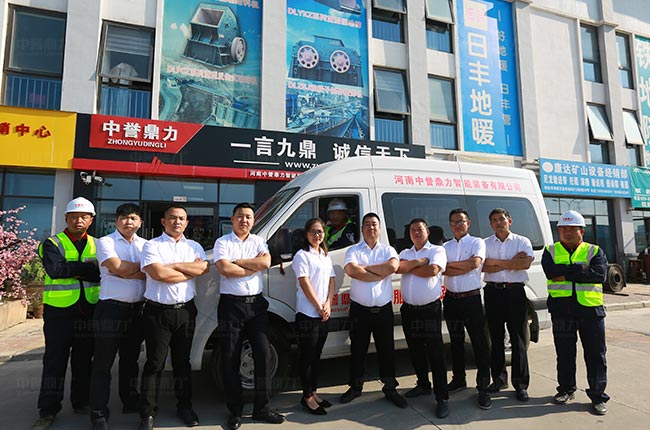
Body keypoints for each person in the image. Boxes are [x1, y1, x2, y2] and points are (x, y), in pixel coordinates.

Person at [214, 202, 285, 430]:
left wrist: (238, 262)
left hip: (256, 306)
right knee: (230, 357)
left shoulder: (258, 241)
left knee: (263, 353)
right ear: (232, 219)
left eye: (248, 217)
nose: (244, 220)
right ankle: (235, 410)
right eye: (240, 216)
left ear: (253, 221)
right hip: (231, 307)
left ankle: (261, 408)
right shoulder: (222, 242)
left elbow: (265, 262)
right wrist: (251, 266)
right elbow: (224, 269)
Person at [32, 197, 101, 430]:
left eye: (84, 217)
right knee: (55, 361)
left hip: (88, 310)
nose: (78, 220)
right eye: (74, 216)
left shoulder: (98, 244)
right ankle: (48, 410)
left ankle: (81, 402)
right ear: (66, 218)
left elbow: (101, 274)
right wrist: (88, 268)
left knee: (84, 360)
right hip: (59, 313)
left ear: (91, 220)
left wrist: (74, 270)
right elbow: (56, 270)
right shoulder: (52, 243)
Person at [138, 205, 209, 430]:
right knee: (155, 363)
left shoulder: (194, 246)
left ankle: (185, 407)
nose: (177, 222)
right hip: (158, 313)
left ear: (186, 223)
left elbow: (204, 269)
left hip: (186, 312)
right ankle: (147, 413)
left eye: (181, 219)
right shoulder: (152, 245)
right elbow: (158, 274)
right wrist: (188, 270)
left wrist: (175, 266)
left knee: (182, 363)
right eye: (172, 218)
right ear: (163, 221)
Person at [542, 210, 609, 415]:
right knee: (564, 353)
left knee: (596, 355)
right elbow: (551, 273)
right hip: (562, 311)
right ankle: (566, 389)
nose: (567, 232)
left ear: (582, 231)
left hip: (590, 311)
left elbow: (600, 275)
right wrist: (581, 270)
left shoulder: (594, 251)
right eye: (563, 229)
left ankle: (598, 396)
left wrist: (566, 271)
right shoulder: (550, 250)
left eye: (572, 229)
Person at [339, 212, 406, 408]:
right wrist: (379, 272)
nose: (371, 227)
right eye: (367, 224)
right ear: (361, 229)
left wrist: (366, 269)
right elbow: (352, 270)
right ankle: (355, 387)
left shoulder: (388, 249)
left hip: (383, 311)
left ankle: (390, 388)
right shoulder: (353, 250)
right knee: (357, 350)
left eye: (374, 224)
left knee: (387, 351)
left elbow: (392, 267)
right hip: (359, 311)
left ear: (379, 228)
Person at [89, 203, 147, 430]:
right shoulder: (105, 242)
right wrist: (141, 269)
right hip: (110, 310)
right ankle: (98, 413)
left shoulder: (146, 245)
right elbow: (118, 268)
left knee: (130, 361)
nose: (128, 222)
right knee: (103, 363)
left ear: (140, 222)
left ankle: (129, 401)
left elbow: (150, 273)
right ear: (116, 221)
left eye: (133, 218)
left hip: (137, 311)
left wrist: (128, 271)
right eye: (123, 218)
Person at [397, 218, 449, 418]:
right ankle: (423, 384)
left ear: (427, 231)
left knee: (436, 354)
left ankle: (442, 398)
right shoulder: (405, 252)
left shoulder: (437, 250)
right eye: (412, 230)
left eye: (420, 229)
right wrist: (419, 263)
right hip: (409, 310)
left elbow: (433, 270)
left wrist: (410, 267)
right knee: (415, 350)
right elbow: (398, 268)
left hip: (429, 310)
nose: (416, 233)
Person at [482, 208, 534, 402]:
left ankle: (520, 385)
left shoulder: (522, 241)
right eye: (494, 220)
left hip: (515, 292)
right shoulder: (485, 243)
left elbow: (525, 264)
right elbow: (483, 266)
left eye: (502, 219)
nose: (498, 222)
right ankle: (498, 380)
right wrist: (510, 262)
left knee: (518, 338)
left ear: (509, 221)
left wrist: (496, 263)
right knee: (495, 338)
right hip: (492, 292)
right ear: (490, 224)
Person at [442, 208, 492, 410]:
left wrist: (453, 266)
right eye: (453, 222)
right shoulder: (445, 246)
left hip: (471, 299)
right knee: (455, 342)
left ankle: (483, 387)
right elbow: (442, 268)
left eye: (461, 221)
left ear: (468, 223)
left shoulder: (477, 242)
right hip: (451, 300)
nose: (457, 225)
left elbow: (474, 263)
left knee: (479, 343)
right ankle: (459, 379)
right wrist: (460, 266)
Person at [292, 218, 336, 416]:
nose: (317, 235)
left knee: (317, 356)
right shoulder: (302, 255)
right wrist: (318, 306)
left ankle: (314, 392)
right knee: (307, 357)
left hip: (323, 314)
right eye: (313, 231)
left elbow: (331, 281)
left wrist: (328, 303)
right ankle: (307, 397)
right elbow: (304, 282)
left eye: (320, 231)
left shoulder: (325, 255)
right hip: (308, 314)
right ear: (306, 234)